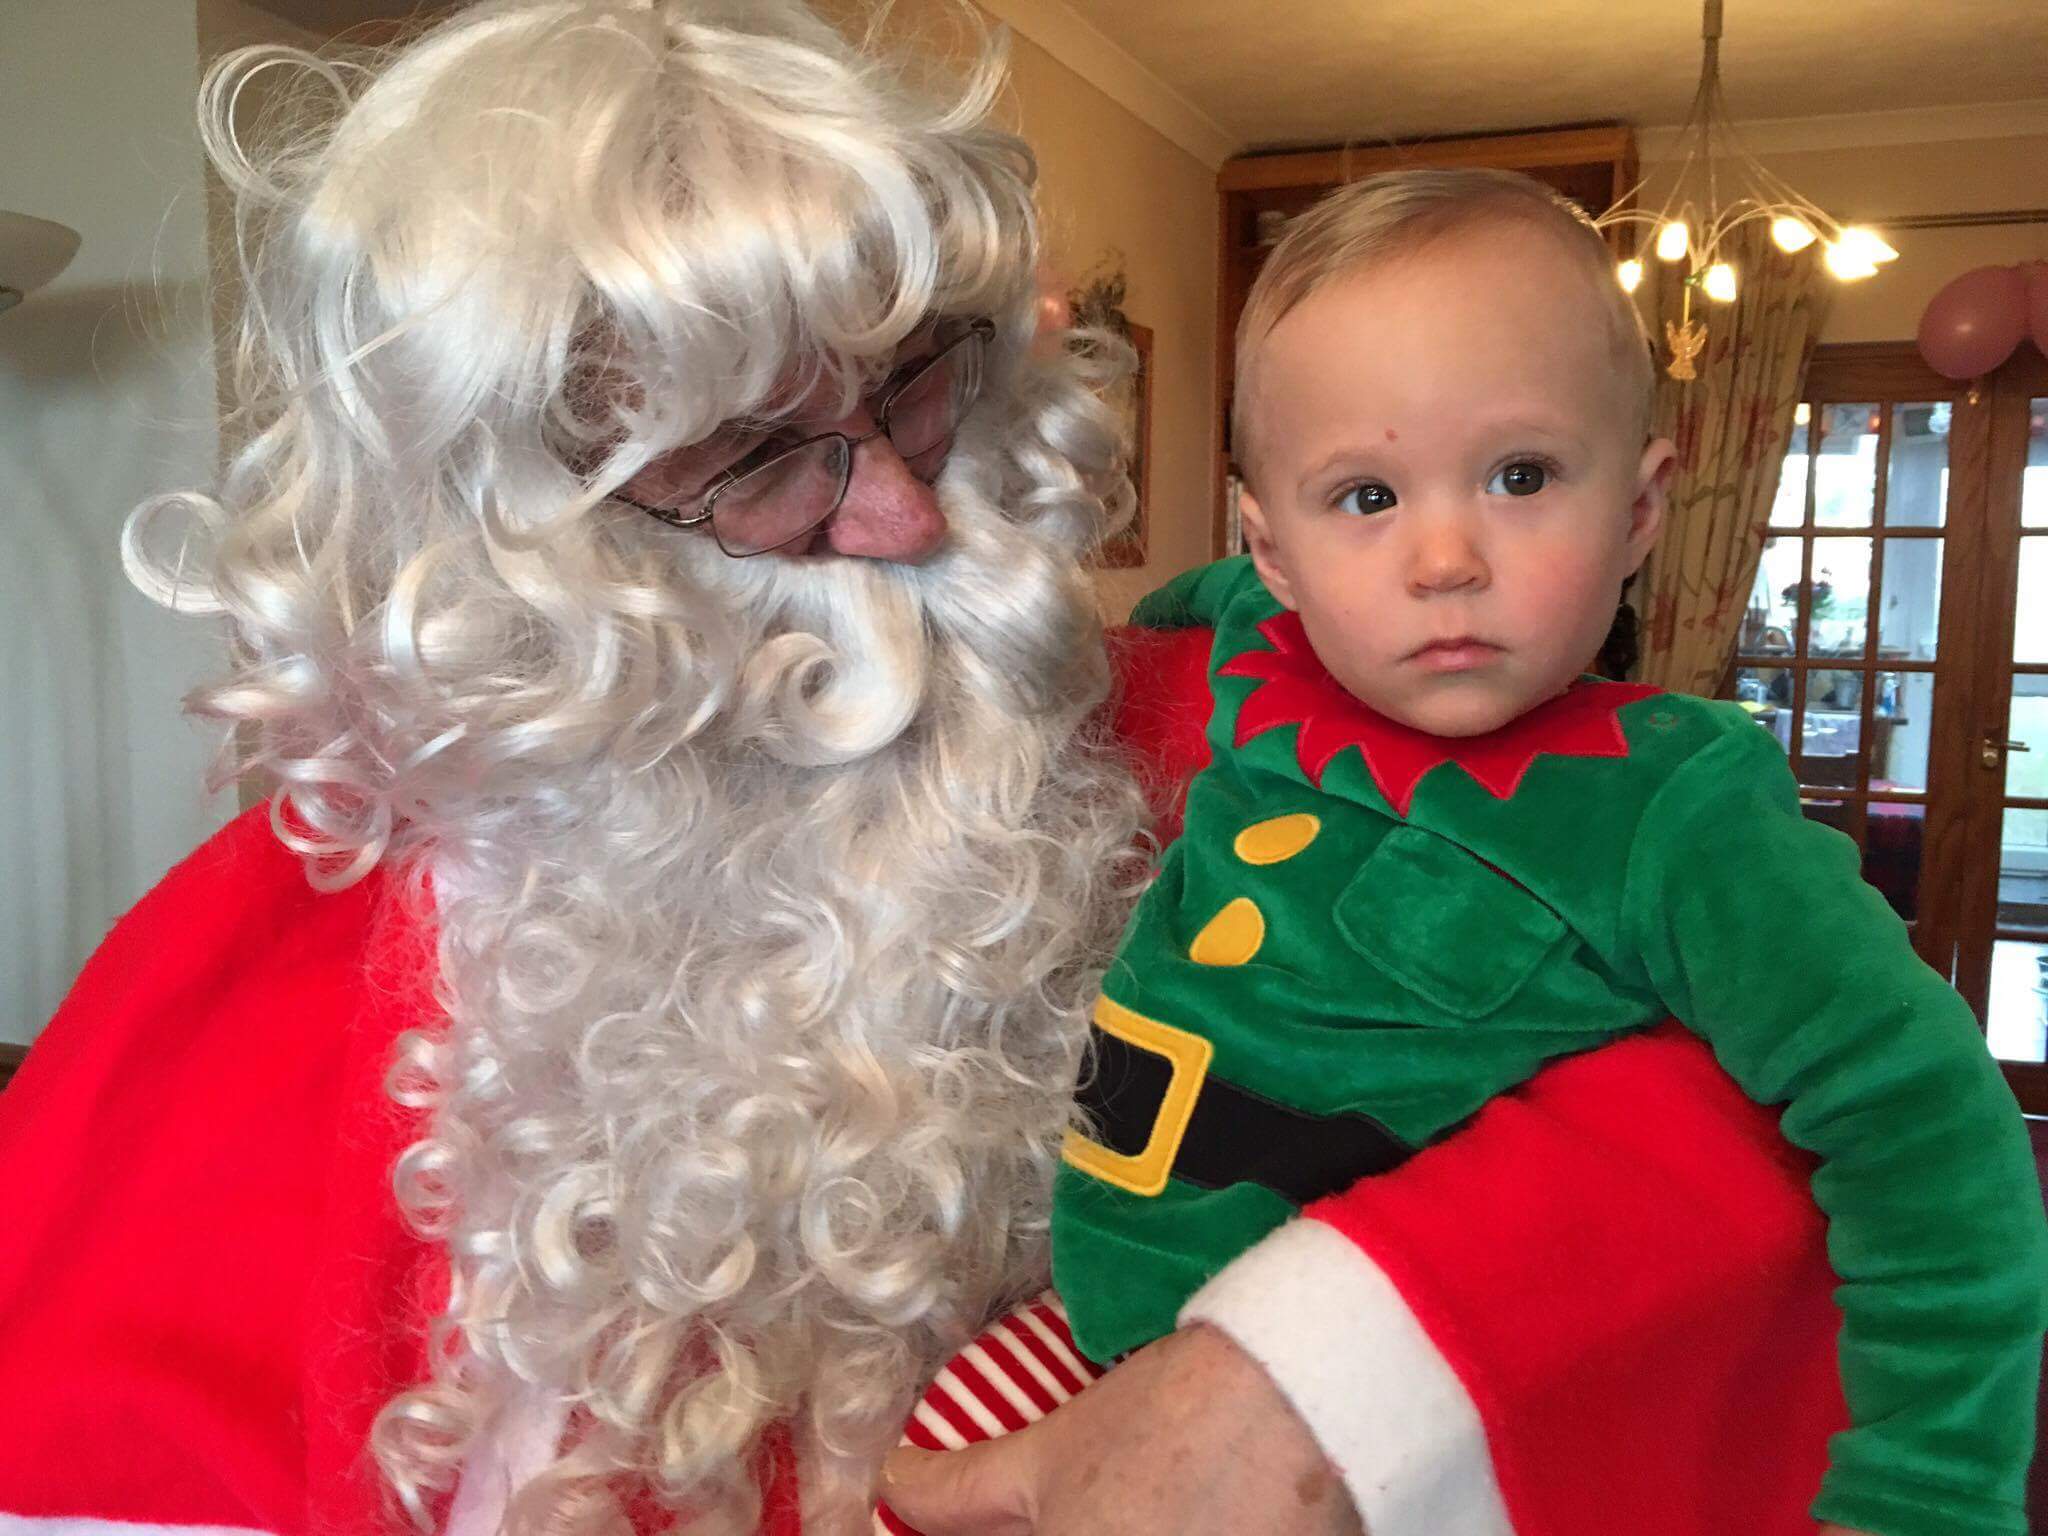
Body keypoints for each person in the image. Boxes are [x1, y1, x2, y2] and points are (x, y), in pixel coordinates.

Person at [0, 8, 1861, 1536]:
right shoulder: (249, 965)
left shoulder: (1260, 738)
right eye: (757, 460)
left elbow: (1810, 1083)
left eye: (913, 381)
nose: (902, 515)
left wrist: (1321, 1379)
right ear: (512, 543)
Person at [1013, 169, 2043, 1536]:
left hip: (1421, 1462)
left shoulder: (1673, 810)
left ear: (1640, 509)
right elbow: (1183, 607)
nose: (1445, 557)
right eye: (1365, 496)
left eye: (1520, 476)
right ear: (1275, 550)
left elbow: (1927, 1128)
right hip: (1084, 1344)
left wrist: (1927, 1488)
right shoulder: (1253, 648)